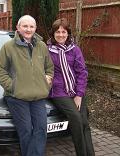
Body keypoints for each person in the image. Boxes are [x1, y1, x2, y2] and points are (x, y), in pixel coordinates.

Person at [0, 15, 54, 156]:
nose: (28, 29)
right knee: (26, 130)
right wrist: (12, 86)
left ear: (35, 28)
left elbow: (49, 67)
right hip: (17, 97)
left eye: (31, 26)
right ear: (18, 28)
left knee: (40, 129)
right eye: (25, 26)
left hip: (38, 96)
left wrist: (47, 80)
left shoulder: (42, 46)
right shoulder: (8, 47)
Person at [47, 18, 95, 156]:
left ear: (68, 34)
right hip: (58, 92)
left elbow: (82, 72)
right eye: (58, 32)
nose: (61, 34)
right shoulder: (47, 50)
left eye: (64, 32)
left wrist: (79, 95)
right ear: (53, 34)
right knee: (76, 118)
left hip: (76, 90)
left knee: (84, 123)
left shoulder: (75, 50)